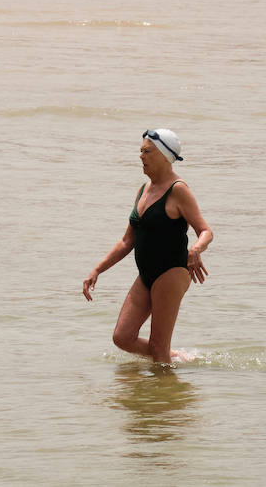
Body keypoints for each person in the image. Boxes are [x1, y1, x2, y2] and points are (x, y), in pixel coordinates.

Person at [81, 130, 213, 364]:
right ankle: (175, 359)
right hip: (146, 274)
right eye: (140, 151)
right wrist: (97, 270)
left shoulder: (178, 190)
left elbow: (205, 231)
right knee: (122, 337)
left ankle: (163, 397)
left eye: (147, 151)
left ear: (164, 155)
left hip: (171, 272)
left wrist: (195, 250)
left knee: (158, 347)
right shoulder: (143, 190)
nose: (141, 156)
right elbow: (127, 241)